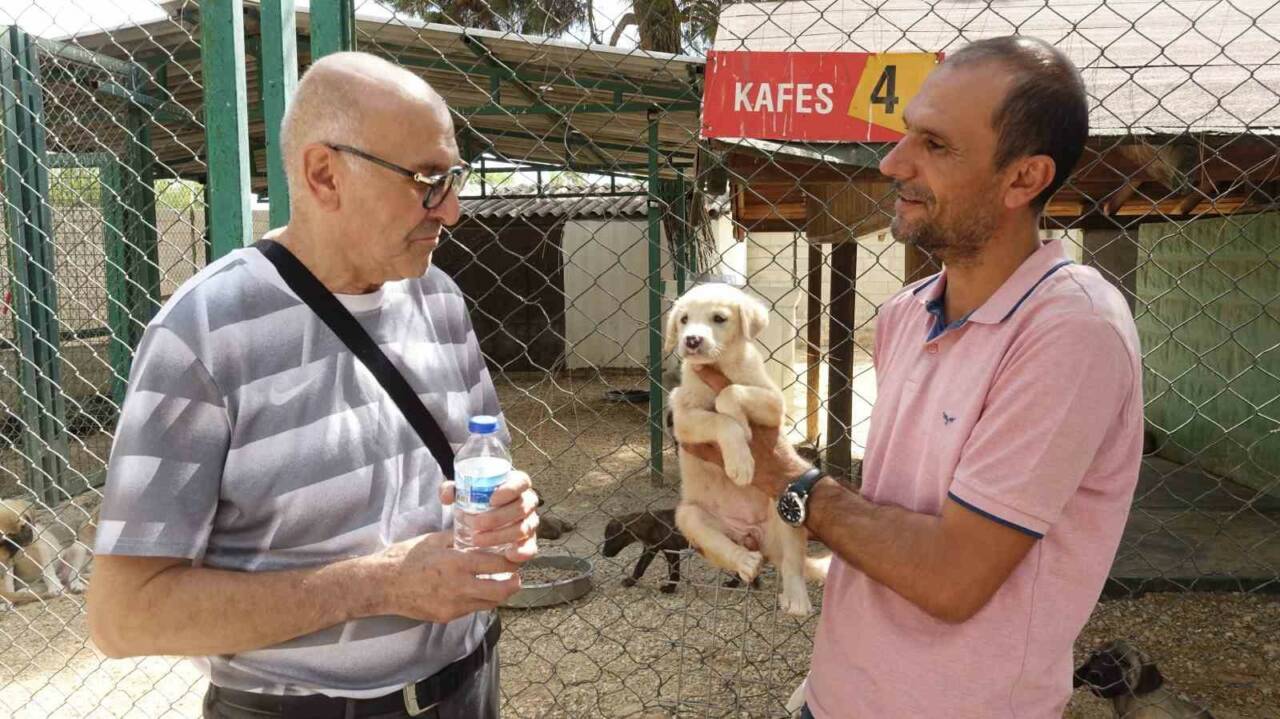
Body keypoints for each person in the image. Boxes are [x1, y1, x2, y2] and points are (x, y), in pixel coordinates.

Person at [685, 36, 1143, 717]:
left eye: (935, 145)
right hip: (839, 693)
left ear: (1024, 179)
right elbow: (896, 510)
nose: (894, 163)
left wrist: (785, 475)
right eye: (905, 135)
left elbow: (951, 576)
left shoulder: (1072, 331)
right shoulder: (905, 313)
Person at [86, 51, 539, 719]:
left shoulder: (437, 298)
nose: (454, 211)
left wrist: (506, 503)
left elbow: (481, 462)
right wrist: (379, 585)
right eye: (428, 180)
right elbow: (124, 615)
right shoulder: (205, 333)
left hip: (468, 685)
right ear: (325, 175)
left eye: (455, 178)